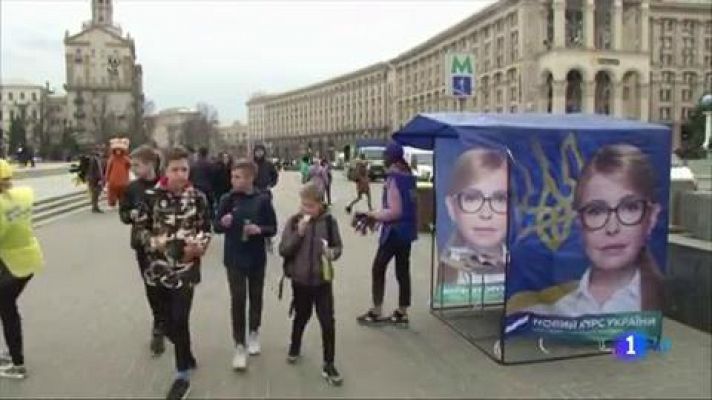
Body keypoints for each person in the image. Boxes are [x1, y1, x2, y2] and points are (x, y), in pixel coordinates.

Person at [524, 144, 664, 316]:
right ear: (579, 223)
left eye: (629, 207)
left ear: (652, 218)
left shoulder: (663, 301)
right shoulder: (548, 308)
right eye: (596, 211)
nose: (612, 228)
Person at [134, 146, 211, 400]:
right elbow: (139, 232)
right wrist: (158, 243)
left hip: (185, 270)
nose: (180, 174)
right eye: (175, 169)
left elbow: (205, 228)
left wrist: (198, 247)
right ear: (164, 170)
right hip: (156, 270)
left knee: (180, 319)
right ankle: (185, 351)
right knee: (165, 321)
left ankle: (182, 376)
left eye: (184, 169)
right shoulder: (150, 197)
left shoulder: (198, 197)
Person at [213, 159, 277, 371]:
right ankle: (239, 344)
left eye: (238, 177)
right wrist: (223, 223)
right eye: (232, 176)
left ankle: (254, 333)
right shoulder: (226, 199)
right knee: (238, 300)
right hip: (234, 258)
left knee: (256, 296)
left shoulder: (262, 199)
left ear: (250, 178)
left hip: (256, 257)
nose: (233, 180)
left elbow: (273, 227)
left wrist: (260, 230)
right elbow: (216, 225)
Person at [279, 182, 343, 385]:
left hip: (322, 281)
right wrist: (299, 233)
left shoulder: (329, 222)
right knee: (301, 316)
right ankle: (295, 345)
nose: (305, 209)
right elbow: (284, 250)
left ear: (320, 205)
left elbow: (337, 247)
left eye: (310, 206)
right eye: (303, 205)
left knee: (327, 321)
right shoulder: (294, 221)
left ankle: (329, 363)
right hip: (300, 281)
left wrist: (332, 253)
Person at [356, 142, 418, 325]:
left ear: (391, 158)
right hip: (407, 231)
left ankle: (376, 311)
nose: (383, 159)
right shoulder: (409, 176)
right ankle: (402, 312)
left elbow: (394, 211)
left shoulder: (393, 179)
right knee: (403, 271)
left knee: (378, 268)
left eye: (385, 156)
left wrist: (372, 215)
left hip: (394, 232)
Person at [118, 145, 166, 357]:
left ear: (150, 164)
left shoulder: (166, 184)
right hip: (142, 244)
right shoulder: (132, 188)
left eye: (136, 165)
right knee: (151, 285)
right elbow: (123, 213)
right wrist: (131, 215)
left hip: (165, 244)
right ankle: (159, 323)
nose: (133, 169)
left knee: (167, 283)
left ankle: (168, 320)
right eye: (132, 165)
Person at [0, 159, 44, 380]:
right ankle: (12, 354)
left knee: (7, 310)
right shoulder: (20, 196)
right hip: (28, 259)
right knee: (7, 308)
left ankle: (17, 364)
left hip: (12, 265)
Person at [439, 149, 508, 286]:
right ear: (451, 207)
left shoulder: (525, 263)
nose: (486, 213)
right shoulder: (449, 264)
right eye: (471, 198)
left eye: (500, 199)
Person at [189, 146, 216, 218]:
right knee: (209, 206)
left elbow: (190, 177)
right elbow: (213, 177)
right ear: (207, 154)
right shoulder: (211, 165)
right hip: (208, 188)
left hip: (196, 187)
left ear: (199, 154)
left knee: (197, 206)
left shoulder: (193, 165)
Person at [105, 137, 132, 208]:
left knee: (123, 193)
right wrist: (107, 178)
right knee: (112, 192)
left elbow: (130, 165)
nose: (118, 151)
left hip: (123, 180)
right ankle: (112, 203)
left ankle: (122, 203)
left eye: (119, 150)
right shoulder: (112, 158)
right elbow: (108, 169)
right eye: (117, 150)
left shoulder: (125, 159)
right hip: (113, 180)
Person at [87, 145, 106, 213]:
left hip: (96, 179)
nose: (102, 153)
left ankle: (95, 207)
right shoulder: (94, 159)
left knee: (96, 193)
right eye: (101, 151)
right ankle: (95, 207)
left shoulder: (98, 159)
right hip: (94, 179)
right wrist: (98, 179)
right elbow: (92, 170)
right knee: (95, 193)